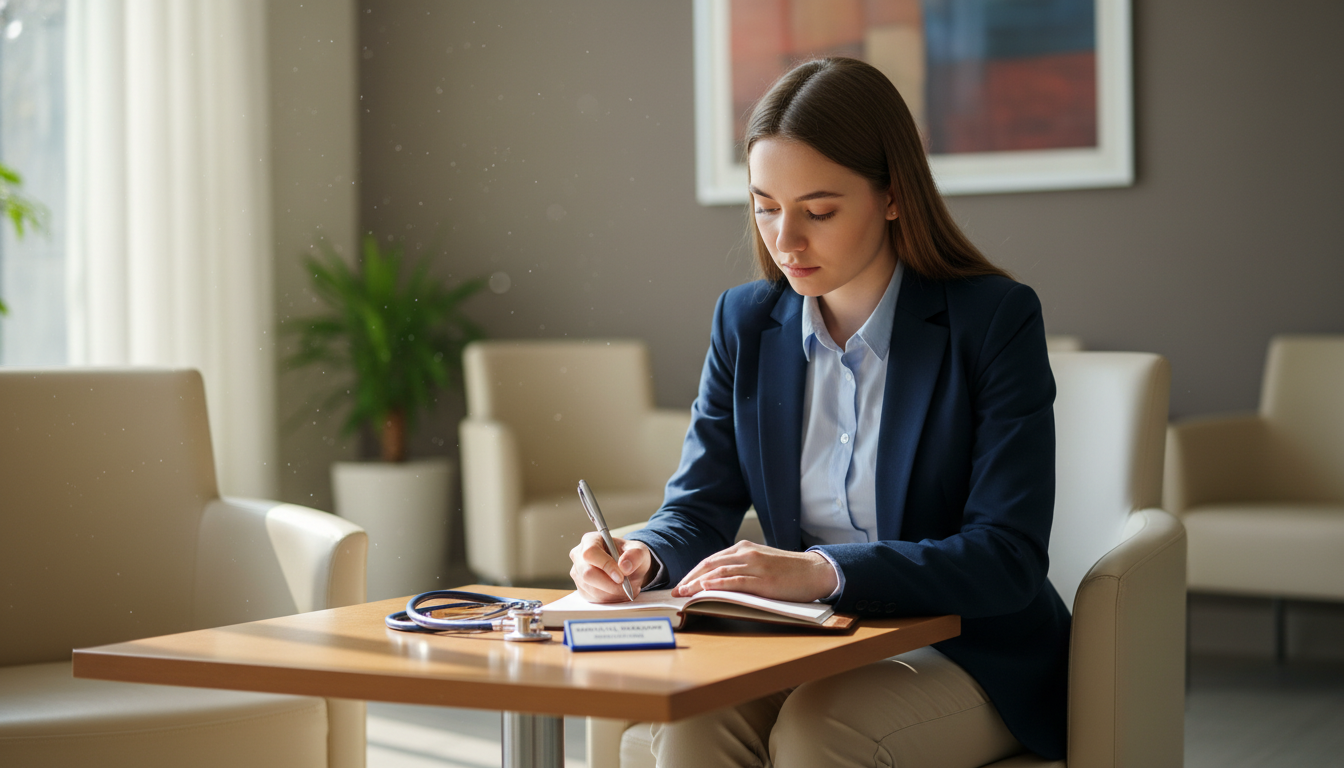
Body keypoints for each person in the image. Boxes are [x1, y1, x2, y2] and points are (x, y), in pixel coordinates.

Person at [568, 57, 1069, 768]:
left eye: (819, 211)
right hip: (809, 644)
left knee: (821, 732)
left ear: (893, 196)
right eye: (765, 206)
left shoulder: (993, 321)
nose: (785, 240)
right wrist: (643, 554)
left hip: (969, 651)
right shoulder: (747, 322)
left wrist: (822, 571)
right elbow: (697, 508)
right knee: (693, 729)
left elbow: (1006, 557)